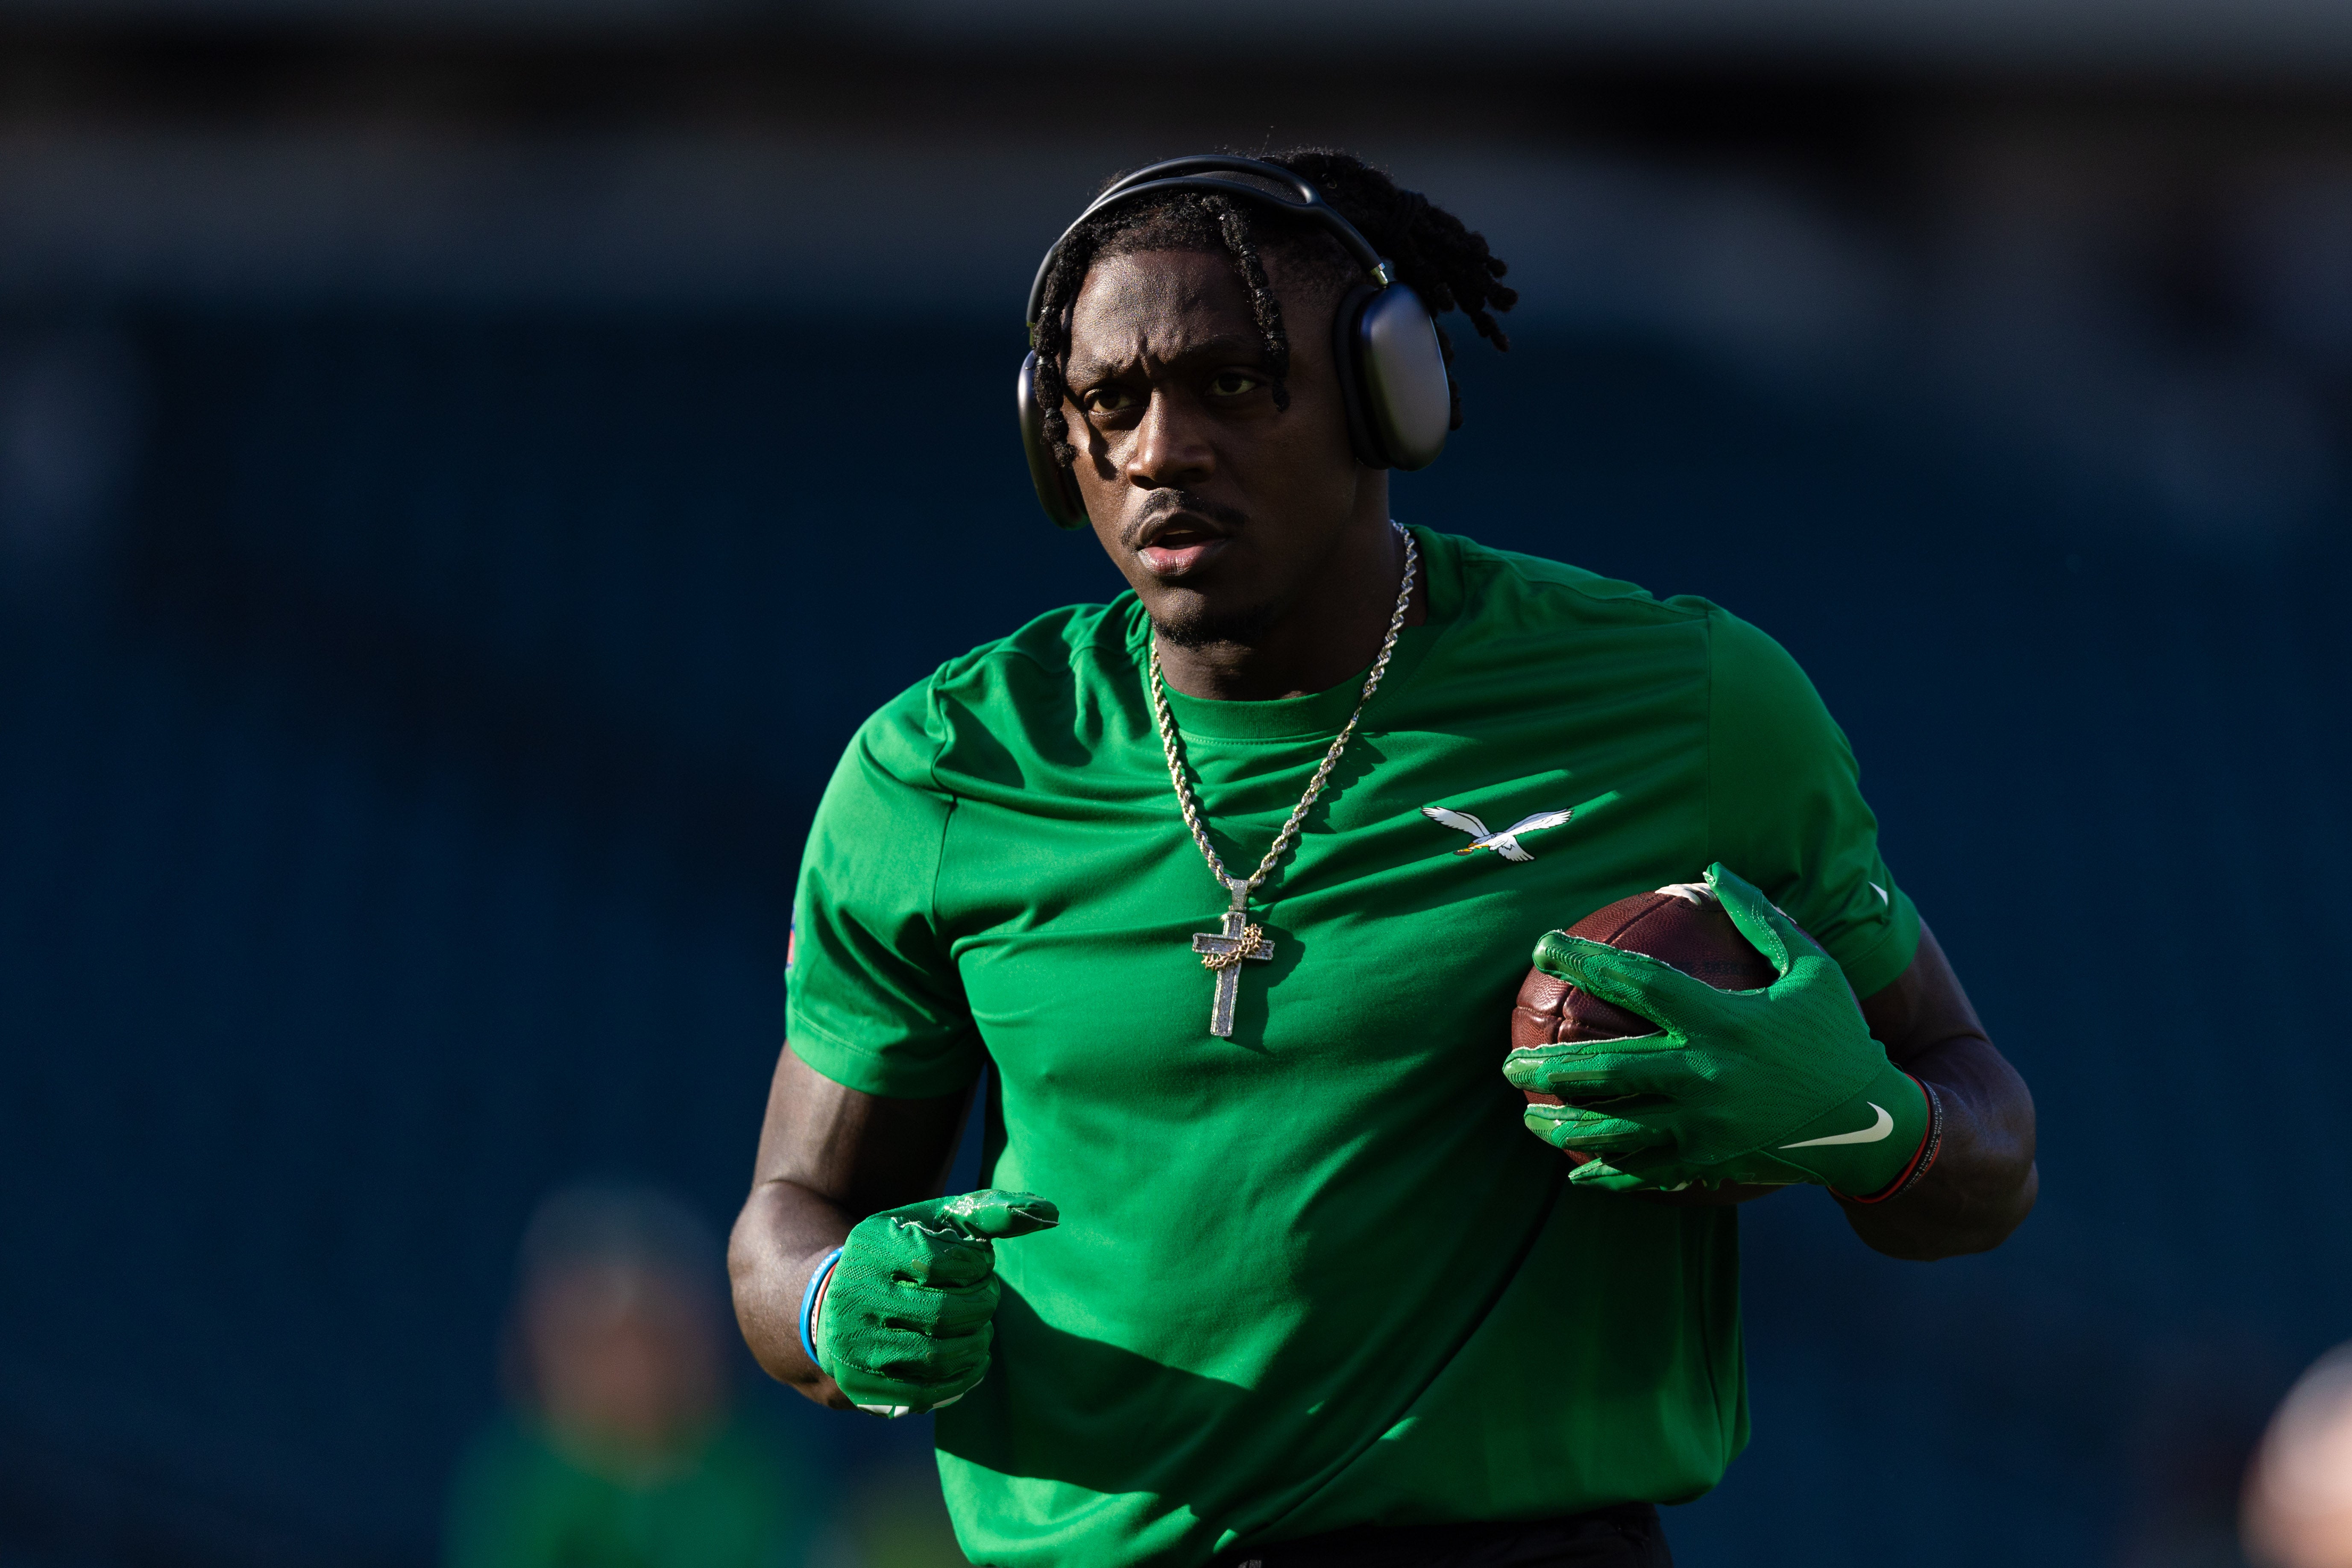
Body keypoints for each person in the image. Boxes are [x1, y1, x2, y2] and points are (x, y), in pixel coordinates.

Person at [727, 149, 2038, 1568]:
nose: (1161, 449)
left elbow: (1987, 1143)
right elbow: (786, 1223)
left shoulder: (1687, 704)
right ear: (1057, 442)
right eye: (1109, 403)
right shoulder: (938, 771)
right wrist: (828, 1302)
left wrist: (1856, 1126)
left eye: (1233, 383)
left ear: (1386, 395)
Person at [450, 1184, 816, 1568]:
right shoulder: (517, 1488)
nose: (634, 1369)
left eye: (659, 1339)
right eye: (600, 1345)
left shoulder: (757, 1474)